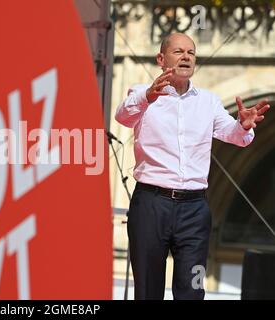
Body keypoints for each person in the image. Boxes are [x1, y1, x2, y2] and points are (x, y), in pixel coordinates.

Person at [115, 32, 270, 300]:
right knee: (147, 292)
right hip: (152, 205)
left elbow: (234, 136)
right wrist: (147, 98)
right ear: (161, 59)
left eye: (191, 52)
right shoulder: (142, 94)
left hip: (194, 211)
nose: (186, 56)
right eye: (179, 52)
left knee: (192, 291)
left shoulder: (208, 101)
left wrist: (242, 125)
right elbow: (123, 117)